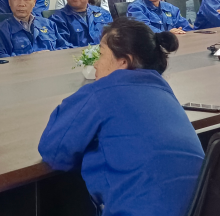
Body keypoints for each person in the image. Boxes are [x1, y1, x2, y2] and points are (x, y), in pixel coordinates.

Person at [39, 18, 204, 216]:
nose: (96, 64)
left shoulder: (101, 92)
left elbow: (54, 152)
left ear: (123, 62)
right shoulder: (164, 90)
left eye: (101, 54)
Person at [0, 0, 67, 55]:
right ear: (9, 2)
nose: (21, 4)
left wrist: (51, 54)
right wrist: (29, 58)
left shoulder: (49, 24)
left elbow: (66, 48)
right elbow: (1, 57)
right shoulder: (0, 30)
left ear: (34, 2)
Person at [49, 0, 114, 48]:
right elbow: (63, 47)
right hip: (76, 55)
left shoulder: (103, 14)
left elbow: (113, 40)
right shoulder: (57, 19)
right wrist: (89, 53)